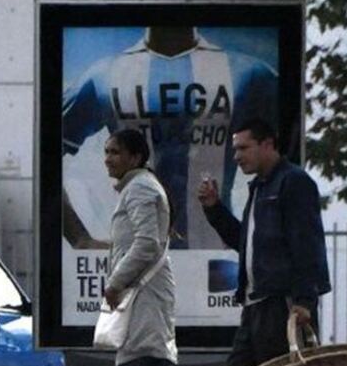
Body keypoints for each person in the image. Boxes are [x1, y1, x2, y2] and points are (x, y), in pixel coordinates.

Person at [197, 118, 331, 366]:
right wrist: (214, 209)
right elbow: (246, 244)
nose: (237, 156)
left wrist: (305, 300)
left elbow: (308, 243)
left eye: (243, 147)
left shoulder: (294, 183)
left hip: (285, 305)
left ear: (268, 144)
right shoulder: (260, 188)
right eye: (236, 148)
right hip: (255, 307)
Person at [63, 26, 278, 250]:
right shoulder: (104, 75)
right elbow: (45, 151)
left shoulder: (249, 73)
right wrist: (79, 237)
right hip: (135, 260)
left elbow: (285, 166)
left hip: (217, 259)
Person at [102, 129, 178, 366]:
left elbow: (146, 243)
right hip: (145, 293)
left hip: (143, 294)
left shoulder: (141, 189)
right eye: (106, 152)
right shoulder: (137, 188)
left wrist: (116, 281)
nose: (108, 158)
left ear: (135, 157)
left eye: (115, 152)